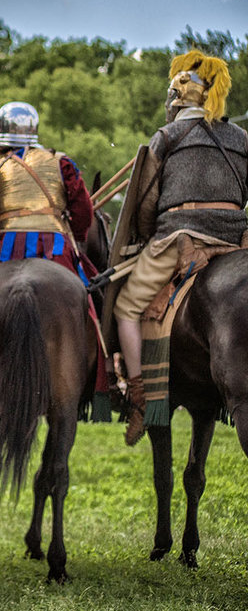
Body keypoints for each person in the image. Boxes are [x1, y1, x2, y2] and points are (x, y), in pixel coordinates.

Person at [113, 50, 247, 446]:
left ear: (177, 98)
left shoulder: (168, 136)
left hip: (178, 238)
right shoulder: (241, 139)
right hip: (235, 241)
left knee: (126, 308)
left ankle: (138, 397)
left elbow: (148, 200)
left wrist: (145, 234)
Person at [0, 102, 95, 280]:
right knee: (87, 290)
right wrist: (76, 236)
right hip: (53, 246)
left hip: (3, 248)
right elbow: (83, 210)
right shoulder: (61, 163)